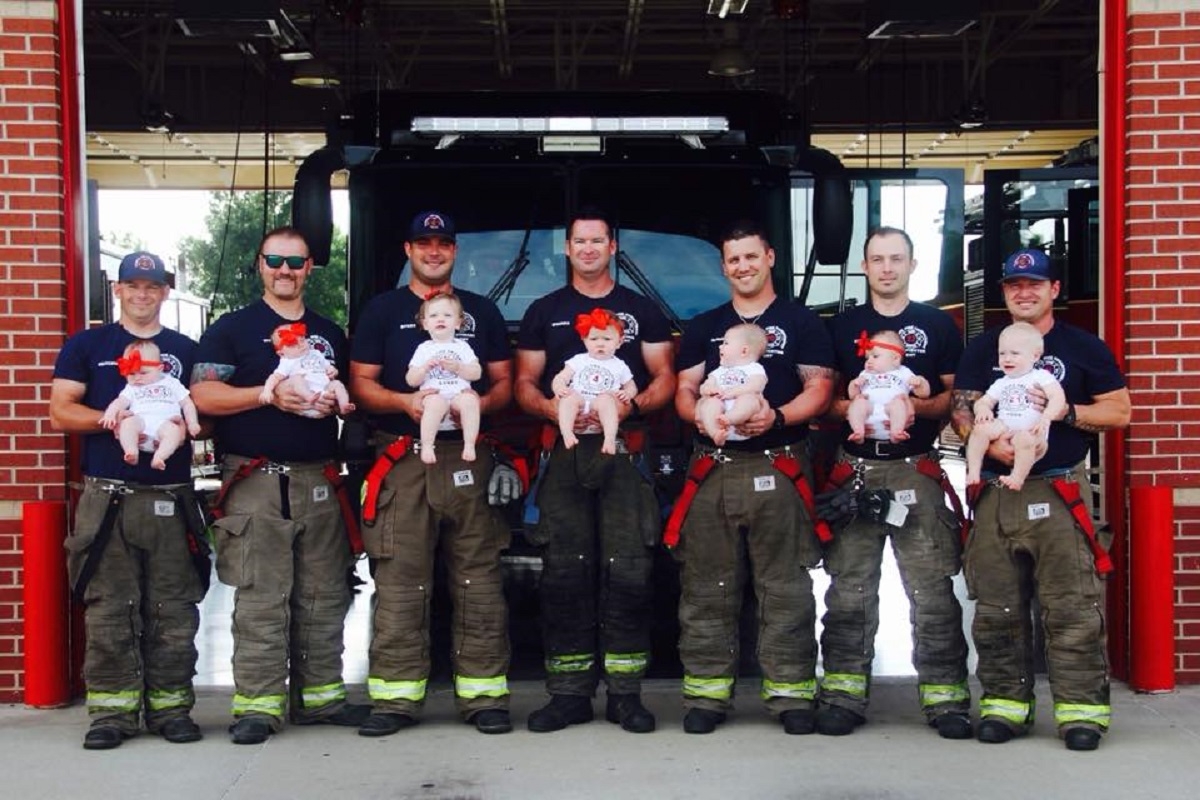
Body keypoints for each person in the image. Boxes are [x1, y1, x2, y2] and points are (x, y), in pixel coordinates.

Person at [191, 227, 369, 745]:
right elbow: (203, 394)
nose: (284, 270)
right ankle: (258, 707)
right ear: (259, 265)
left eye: (295, 262)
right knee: (262, 596)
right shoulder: (233, 329)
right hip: (254, 481)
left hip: (319, 479)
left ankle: (321, 699)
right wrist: (268, 397)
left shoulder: (329, 332)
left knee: (323, 594)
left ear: (311, 266)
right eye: (274, 261)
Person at [953, 247, 1130, 752]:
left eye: (1034, 284)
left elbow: (1119, 413)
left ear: (1054, 290)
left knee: (1071, 604)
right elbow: (962, 413)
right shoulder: (983, 348)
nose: (1023, 292)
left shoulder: (1083, 348)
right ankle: (1005, 707)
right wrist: (994, 440)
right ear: (1004, 293)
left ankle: (1081, 714)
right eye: (1013, 285)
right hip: (995, 493)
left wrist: (1062, 413)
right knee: (995, 607)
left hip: (1057, 489)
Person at [349, 211, 515, 736]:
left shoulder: (482, 313)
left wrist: (470, 404)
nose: (434, 251)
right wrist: (406, 401)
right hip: (402, 458)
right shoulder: (382, 311)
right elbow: (360, 385)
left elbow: (505, 385)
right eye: (424, 242)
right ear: (408, 249)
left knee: (479, 578)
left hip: (466, 457)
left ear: (454, 251)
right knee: (400, 579)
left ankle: (484, 695)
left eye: (444, 242)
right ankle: (395, 701)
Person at [671, 221, 835, 735]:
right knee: (706, 584)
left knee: (784, 583)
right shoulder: (704, 326)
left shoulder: (801, 321)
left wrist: (779, 417)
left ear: (768, 257)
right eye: (732, 259)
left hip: (780, 463)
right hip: (713, 468)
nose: (742, 266)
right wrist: (696, 416)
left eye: (750, 256)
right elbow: (684, 388)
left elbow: (821, 388)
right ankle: (706, 695)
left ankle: (790, 693)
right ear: (723, 267)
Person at [515, 207, 675, 734]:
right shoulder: (544, 310)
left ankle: (626, 695)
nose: (587, 249)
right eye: (578, 241)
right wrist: (554, 411)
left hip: (623, 455)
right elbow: (524, 385)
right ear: (567, 249)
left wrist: (628, 408)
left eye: (597, 241)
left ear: (612, 247)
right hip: (562, 458)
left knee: (628, 569)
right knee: (564, 571)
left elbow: (664, 379)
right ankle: (568, 694)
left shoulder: (641, 311)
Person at [49, 251, 206, 750]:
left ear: (165, 292)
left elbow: (207, 410)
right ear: (117, 290)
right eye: (133, 285)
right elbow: (60, 412)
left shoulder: (186, 348)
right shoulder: (87, 345)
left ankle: (171, 709)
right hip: (107, 494)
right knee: (110, 606)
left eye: (153, 286)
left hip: (170, 495)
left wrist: (184, 425)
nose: (143, 294)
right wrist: (115, 420)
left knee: (173, 606)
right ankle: (112, 714)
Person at [821, 226, 972, 739]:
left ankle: (946, 697)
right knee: (849, 589)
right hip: (856, 468)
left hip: (916, 467)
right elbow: (826, 397)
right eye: (878, 259)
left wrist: (908, 405)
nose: (887, 268)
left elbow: (954, 400)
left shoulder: (938, 325)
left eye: (896, 259)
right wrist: (858, 408)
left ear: (912, 265)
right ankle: (842, 694)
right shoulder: (842, 327)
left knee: (931, 588)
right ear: (864, 267)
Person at [965, 322, 1066, 490]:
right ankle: (974, 471)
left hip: (1032, 431)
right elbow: (985, 400)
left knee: (1024, 440)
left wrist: (1047, 417)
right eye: (1002, 353)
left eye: (1015, 353)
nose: (1007, 358)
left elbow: (1057, 397)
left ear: (1035, 356)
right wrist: (982, 410)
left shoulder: (1041, 376)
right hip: (1005, 426)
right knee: (979, 431)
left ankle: (1017, 478)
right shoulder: (1002, 382)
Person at [406, 291, 482, 464]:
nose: (440, 319)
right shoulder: (423, 349)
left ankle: (469, 444)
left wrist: (459, 367)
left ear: (458, 323)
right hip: (434, 396)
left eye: (447, 315)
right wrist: (425, 368)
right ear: (425, 324)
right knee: (435, 402)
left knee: (470, 401)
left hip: (458, 396)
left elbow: (476, 372)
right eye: (433, 316)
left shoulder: (463, 347)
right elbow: (411, 379)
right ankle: (427, 445)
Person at [102, 339, 202, 469]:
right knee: (127, 424)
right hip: (141, 424)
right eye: (131, 373)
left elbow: (187, 404)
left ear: (159, 368)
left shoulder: (172, 383)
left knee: (173, 432)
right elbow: (119, 402)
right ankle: (131, 451)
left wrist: (192, 422)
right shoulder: (132, 387)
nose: (137, 378)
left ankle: (160, 457)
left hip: (165, 423)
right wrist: (109, 415)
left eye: (143, 373)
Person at [551, 307, 637, 454]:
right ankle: (567, 433)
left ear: (619, 342)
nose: (600, 344)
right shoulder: (578, 360)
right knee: (568, 399)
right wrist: (559, 387)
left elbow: (631, 386)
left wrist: (628, 394)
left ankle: (609, 438)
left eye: (607, 339)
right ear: (584, 340)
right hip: (579, 403)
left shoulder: (619, 365)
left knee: (606, 400)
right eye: (594, 339)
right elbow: (561, 377)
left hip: (601, 409)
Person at [845, 329, 931, 444]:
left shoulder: (903, 372)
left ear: (895, 359)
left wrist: (919, 382)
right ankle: (858, 432)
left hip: (892, 414)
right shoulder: (865, 374)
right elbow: (852, 396)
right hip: (869, 414)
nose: (869, 361)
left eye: (875, 356)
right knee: (858, 403)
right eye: (867, 358)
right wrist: (854, 385)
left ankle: (896, 433)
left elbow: (924, 394)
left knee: (898, 403)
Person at [694, 322, 769, 447]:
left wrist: (734, 392)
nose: (720, 347)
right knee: (710, 403)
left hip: (744, 421)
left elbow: (757, 385)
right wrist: (709, 390)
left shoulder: (755, 369)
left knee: (749, 399)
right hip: (719, 414)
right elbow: (704, 387)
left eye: (726, 343)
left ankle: (730, 419)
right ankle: (715, 433)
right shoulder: (718, 371)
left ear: (744, 351)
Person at [259, 321, 355, 416]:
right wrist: (267, 390)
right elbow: (274, 377)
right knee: (296, 379)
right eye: (293, 344)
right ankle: (309, 396)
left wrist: (332, 371)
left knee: (337, 384)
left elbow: (328, 366)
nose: (300, 345)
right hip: (304, 401)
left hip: (324, 392)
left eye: (302, 340)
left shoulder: (316, 353)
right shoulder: (287, 362)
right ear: (281, 353)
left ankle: (344, 406)